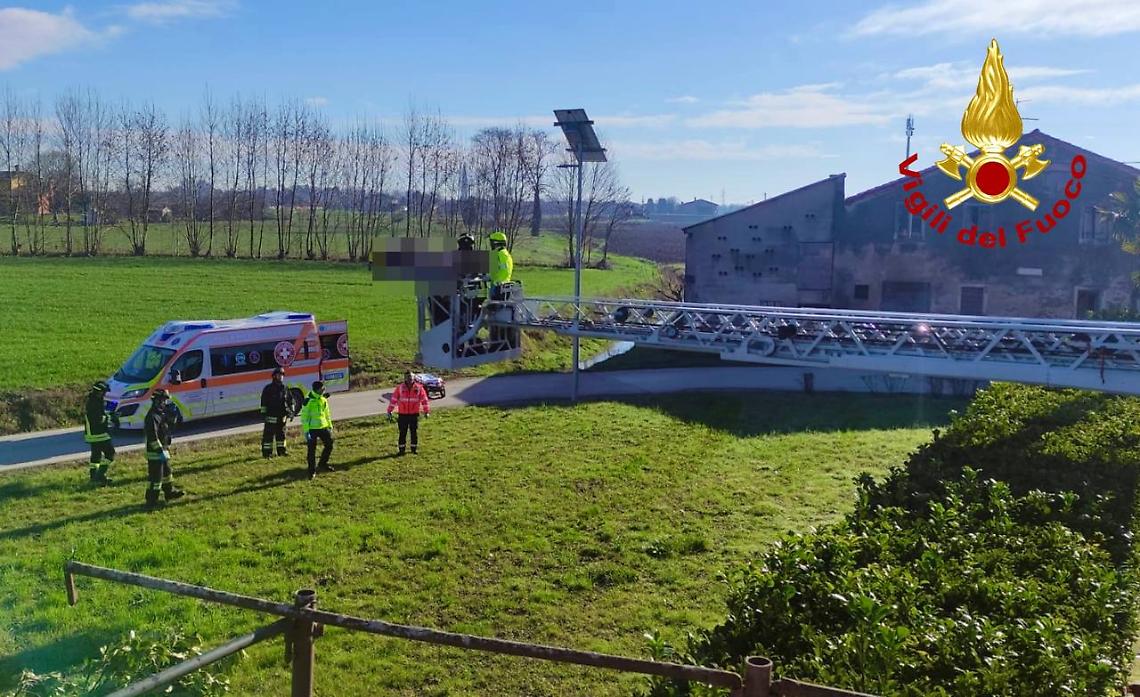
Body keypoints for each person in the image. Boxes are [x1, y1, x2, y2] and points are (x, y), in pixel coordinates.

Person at [144, 389, 184, 507]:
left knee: (167, 474)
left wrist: (173, 418)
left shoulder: (161, 414)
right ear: (157, 401)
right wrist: (160, 451)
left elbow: (168, 429)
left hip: (164, 449)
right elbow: (152, 436)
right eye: (163, 401)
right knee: (156, 478)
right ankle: (151, 500)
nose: (165, 403)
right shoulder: (152, 416)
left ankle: (169, 492)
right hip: (155, 452)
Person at [386, 370, 430, 455]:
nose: (409, 379)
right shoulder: (400, 388)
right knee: (402, 432)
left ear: (413, 378)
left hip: (414, 414)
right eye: (408, 377)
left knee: (414, 432)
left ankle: (414, 449)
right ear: (405, 378)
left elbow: (424, 400)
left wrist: (426, 411)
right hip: (403, 415)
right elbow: (393, 400)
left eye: (411, 377)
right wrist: (389, 411)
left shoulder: (419, 388)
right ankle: (401, 450)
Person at [300, 380, 334, 479]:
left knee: (329, 445)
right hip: (312, 429)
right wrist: (306, 431)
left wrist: (329, 426)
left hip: (323, 427)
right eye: (323, 388)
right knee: (311, 451)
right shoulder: (308, 401)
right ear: (318, 389)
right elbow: (304, 418)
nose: (324, 390)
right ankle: (312, 471)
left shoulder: (323, 399)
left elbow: (327, 414)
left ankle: (323, 464)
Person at [83, 380, 115, 484]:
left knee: (96, 456)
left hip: (91, 434)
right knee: (110, 453)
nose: (105, 394)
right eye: (104, 392)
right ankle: (100, 475)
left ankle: (93, 477)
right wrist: (111, 417)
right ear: (99, 392)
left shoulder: (92, 400)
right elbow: (99, 419)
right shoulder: (96, 403)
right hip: (99, 434)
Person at [260, 368, 291, 458]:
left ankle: (281, 451)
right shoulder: (268, 389)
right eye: (279, 375)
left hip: (282, 417)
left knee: (281, 436)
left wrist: (290, 411)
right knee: (268, 437)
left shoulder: (285, 388)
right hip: (271, 418)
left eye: (282, 375)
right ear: (274, 376)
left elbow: (290, 400)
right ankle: (267, 453)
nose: (281, 377)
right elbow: (264, 403)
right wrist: (264, 415)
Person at [488, 230, 513, 298]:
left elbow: (490, 271)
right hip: (506, 286)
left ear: (495, 243)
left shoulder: (497, 254)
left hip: (497, 287)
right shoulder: (506, 254)